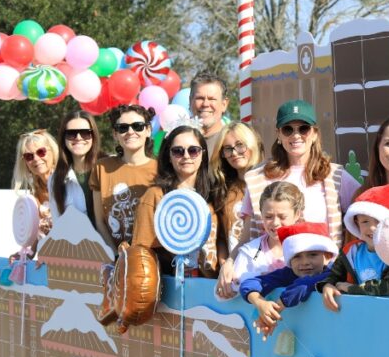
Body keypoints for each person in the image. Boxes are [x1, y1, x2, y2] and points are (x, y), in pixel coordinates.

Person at [241, 100, 358, 246]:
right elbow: (245, 238)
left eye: (303, 129)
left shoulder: (336, 176)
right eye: (288, 129)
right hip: (268, 266)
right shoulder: (257, 178)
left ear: (314, 133)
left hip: (324, 266)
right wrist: (230, 262)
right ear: (278, 134)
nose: (296, 135)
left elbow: (360, 222)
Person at [131, 126, 224, 277]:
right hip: (170, 288)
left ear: (202, 154)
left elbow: (222, 239)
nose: (186, 156)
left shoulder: (214, 194)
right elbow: (142, 251)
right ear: (168, 156)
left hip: (211, 286)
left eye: (193, 150)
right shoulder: (156, 196)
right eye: (178, 151)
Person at [318, 184, 389, 312]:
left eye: (378, 221)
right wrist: (327, 285)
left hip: (387, 315)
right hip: (357, 313)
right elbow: (334, 275)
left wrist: (354, 289)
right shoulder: (351, 251)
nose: (372, 228)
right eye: (365, 222)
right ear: (356, 224)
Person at [241, 222, 338, 337]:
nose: (305, 262)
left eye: (313, 254)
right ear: (289, 261)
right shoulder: (289, 273)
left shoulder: (334, 273)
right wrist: (260, 303)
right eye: (297, 256)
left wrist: (277, 309)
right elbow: (249, 283)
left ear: (327, 256)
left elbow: (303, 286)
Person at [89, 105, 157, 250]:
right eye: (123, 128)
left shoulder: (161, 171)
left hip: (151, 259)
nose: (130, 132)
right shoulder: (101, 168)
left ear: (148, 131)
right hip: (113, 259)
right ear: (115, 134)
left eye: (138, 126)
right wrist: (115, 255)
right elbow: (100, 220)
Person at [213, 122, 265, 298]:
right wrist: (225, 266)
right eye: (227, 149)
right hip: (232, 279)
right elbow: (220, 237)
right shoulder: (224, 189)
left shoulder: (269, 180)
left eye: (239, 145)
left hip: (264, 274)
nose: (234, 153)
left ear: (251, 144)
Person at [227, 181, 305, 294]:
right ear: (261, 214)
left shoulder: (308, 249)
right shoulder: (249, 252)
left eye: (282, 216)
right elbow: (232, 290)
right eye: (268, 216)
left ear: (297, 214)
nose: (275, 223)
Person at [50, 111, 101, 220]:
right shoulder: (55, 180)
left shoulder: (109, 167)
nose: (78, 138)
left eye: (85, 133)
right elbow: (58, 224)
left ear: (93, 136)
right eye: (71, 133)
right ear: (63, 139)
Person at [12, 129, 57, 239]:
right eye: (29, 156)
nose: (36, 159)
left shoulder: (67, 182)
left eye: (41, 152)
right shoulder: (34, 192)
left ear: (53, 152)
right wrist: (27, 252)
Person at [190, 72, 230, 156]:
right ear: (190, 101)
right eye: (200, 98)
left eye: (212, 99)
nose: (205, 104)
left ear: (224, 104)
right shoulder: (177, 141)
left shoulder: (232, 141)